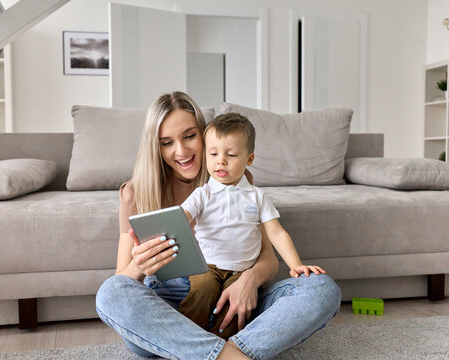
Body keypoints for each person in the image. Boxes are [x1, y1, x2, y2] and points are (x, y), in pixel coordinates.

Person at [95, 91, 342, 360]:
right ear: (155, 147)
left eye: (190, 136)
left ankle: (196, 350)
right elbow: (123, 282)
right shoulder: (136, 193)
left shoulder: (235, 180)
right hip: (171, 306)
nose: (181, 151)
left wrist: (248, 280)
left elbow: (268, 259)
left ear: (205, 134)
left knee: (321, 289)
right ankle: (232, 354)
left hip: (237, 296)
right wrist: (138, 267)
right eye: (166, 142)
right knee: (109, 293)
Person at [179, 113, 327, 340]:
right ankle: (188, 339)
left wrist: (296, 264)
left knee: (234, 309)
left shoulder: (257, 196)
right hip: (206, 267)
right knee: (202, 290)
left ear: (249, 159)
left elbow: (276, 233)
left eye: (230, 154)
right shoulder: (202, 194)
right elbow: (181, 216)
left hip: (242, 272)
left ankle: (221, 344)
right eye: (214, 154)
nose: (221, 161)